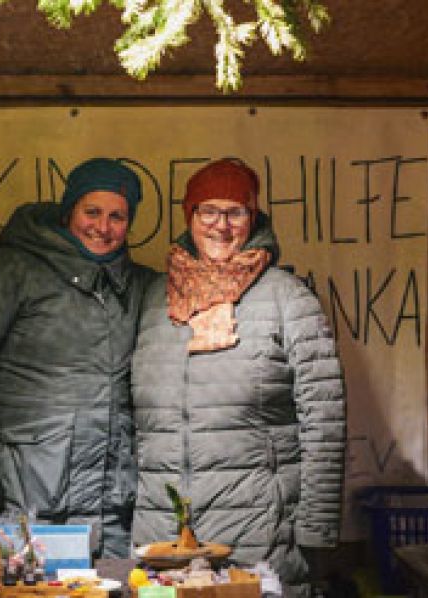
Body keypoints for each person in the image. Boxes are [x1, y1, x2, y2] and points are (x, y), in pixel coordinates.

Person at [131, 158, 346, 595]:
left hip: (258, 536)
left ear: (254, 217)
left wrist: (315, 532)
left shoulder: (289, 300)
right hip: (164, 538)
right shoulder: (154, 299)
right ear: (189, 216)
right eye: (208, 210)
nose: (221, 225)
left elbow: (325, 422)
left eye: (236, 212)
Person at [0, 157, 155, 558]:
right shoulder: (14, 269)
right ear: (70, 210)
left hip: (113, 504)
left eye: (117, 216)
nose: (102, 228)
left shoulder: (139, 286)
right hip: (28, 494)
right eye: (92, 212)